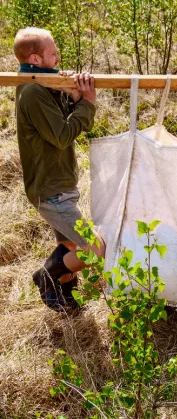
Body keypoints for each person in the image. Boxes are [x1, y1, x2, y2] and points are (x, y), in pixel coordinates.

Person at [14, 27, 105, 312]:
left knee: (69, 245)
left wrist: (72, 96)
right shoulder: (32, 91)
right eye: (53, 54)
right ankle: (46, 277)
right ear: (35, 58)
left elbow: (60, 123)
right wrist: (87, 104)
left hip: (60, 186)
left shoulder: (44, 87)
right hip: (52, 192)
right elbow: (63, 134)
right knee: (96, 249)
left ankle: (64, 294)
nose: (58, 59)